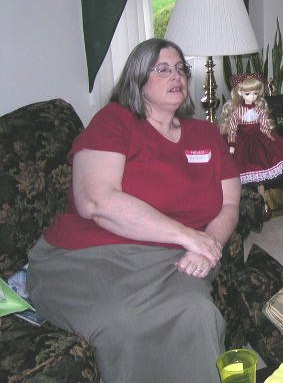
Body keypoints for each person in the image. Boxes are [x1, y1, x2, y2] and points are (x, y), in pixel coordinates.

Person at [27, 38, 241, 383]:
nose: (177, 76)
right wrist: (189, 236)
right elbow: (96, 200)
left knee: (197, 311)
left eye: (181, 69)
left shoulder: (206, 133)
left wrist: (209, 245)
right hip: (92, 253)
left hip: (173, 259)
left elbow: (230, 203)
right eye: (163, 69)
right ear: (137, 80)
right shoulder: (114, 121)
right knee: (122, 321)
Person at [219, 73, 283, 220]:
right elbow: (232, 130)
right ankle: (235, 205)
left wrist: (271, 139)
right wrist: (231, 144)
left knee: (260, 173)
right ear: (240, 93)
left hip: (258, 140)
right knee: (239, 171)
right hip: (241, 142)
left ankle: (263, 203)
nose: (252, 97)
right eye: (248, 93)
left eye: (255, 93)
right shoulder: (237, 112)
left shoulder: (259, 110)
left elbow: (264, 127)